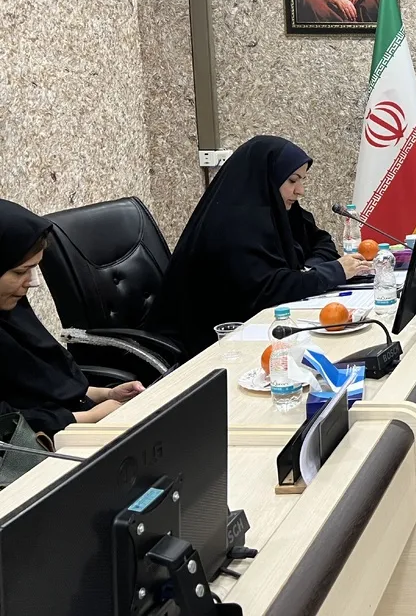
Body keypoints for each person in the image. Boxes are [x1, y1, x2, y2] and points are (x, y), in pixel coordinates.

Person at [143, 136, 371, 357]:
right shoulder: (233, 225)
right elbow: (268, 291)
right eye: (292, 180)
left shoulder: (279, 209)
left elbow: (321, 241)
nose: (300, 190)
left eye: (302, 180)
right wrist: (331, 272)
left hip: (255, 329)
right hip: (210, 346)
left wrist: (310, 270)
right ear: (268, 177)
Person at [0, 199, 145, 436]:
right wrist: (89, 418)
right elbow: (7, 422)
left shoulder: (12, 310)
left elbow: (47, 382)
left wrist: (105, 394)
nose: (34, 282)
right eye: (20, 271)